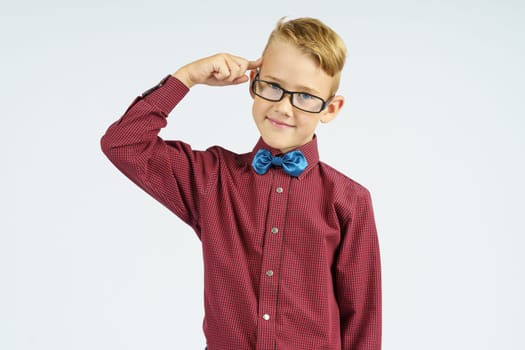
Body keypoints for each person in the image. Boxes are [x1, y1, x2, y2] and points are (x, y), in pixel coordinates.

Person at [101, 17, 381, 350]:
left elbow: (362, 317)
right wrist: (188, 77)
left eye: (305, 97)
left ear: (331, 108)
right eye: (273, 86)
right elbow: (123, 144)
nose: (282, 107)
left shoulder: (349, 200)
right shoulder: (211, 178)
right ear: (253, 83)